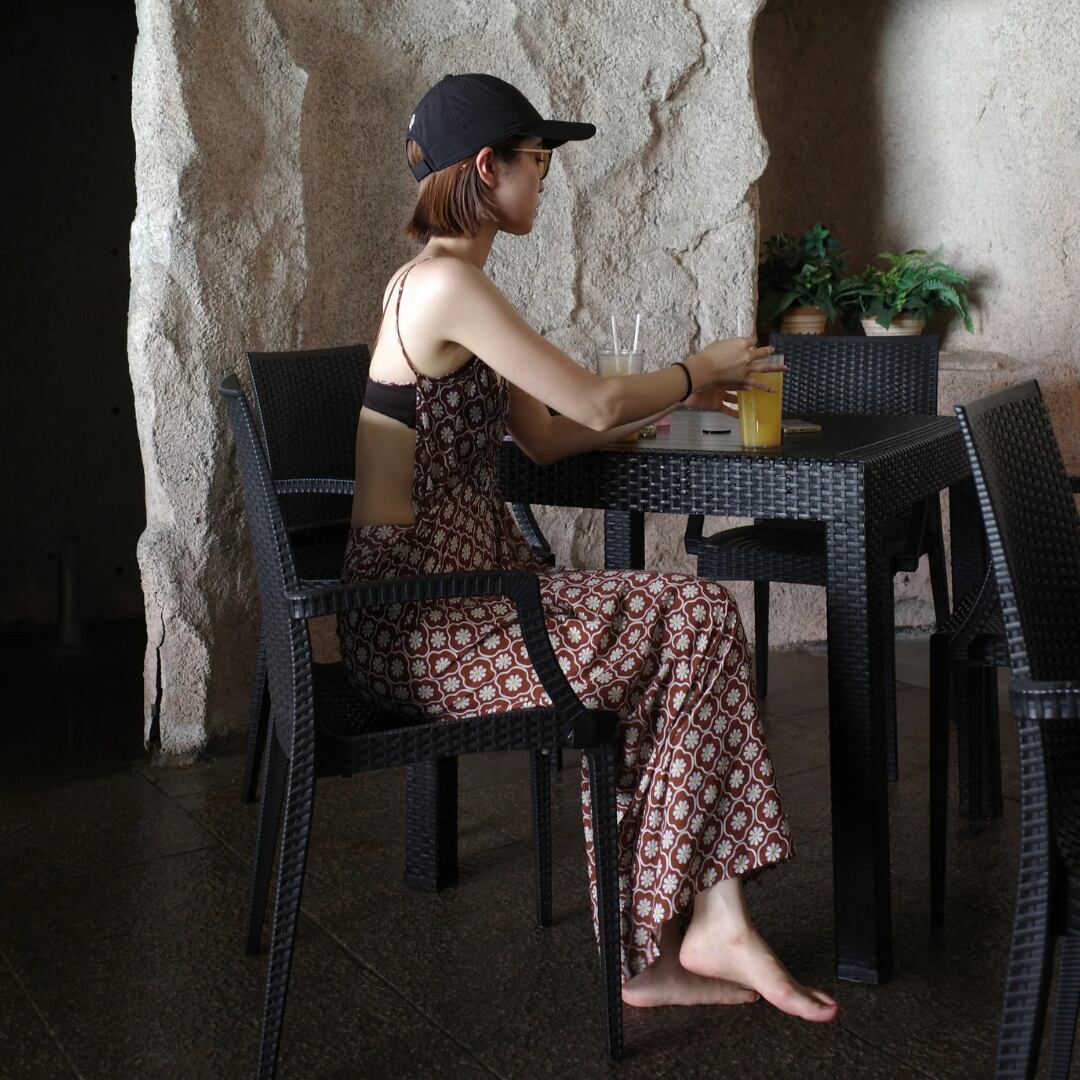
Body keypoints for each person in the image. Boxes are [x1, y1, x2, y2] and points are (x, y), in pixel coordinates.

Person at [339, 73, 838, 1021]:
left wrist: (679, 399)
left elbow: (548, 437)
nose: (547, 177)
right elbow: (597, 401)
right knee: (691, 614)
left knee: (688, 621)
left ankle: (707, 924)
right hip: (420, 622)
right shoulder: (444, 285)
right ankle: (671, 943)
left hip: (464, 598)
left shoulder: (451, 284)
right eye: (539, 159)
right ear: (486, 168)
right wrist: (696, 368)